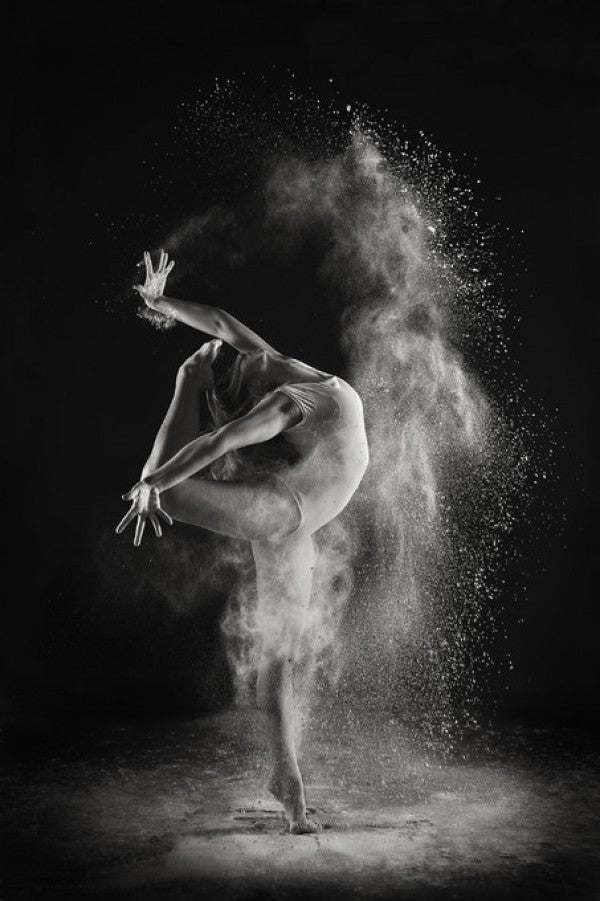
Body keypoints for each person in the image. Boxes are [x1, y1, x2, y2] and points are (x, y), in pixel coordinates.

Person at [116, 250, 369, 833]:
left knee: (280, 653)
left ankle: (287, 777)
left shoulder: (269, 364)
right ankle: (172, 428)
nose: (240, 351)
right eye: (231, 367)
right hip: (285, 512)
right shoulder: (287, 399)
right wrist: (157, 476)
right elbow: (221, 442)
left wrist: (161, 303)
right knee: (166, 491)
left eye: (237, 355)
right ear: (245, 393)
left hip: (294, 516)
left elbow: (221, 322)